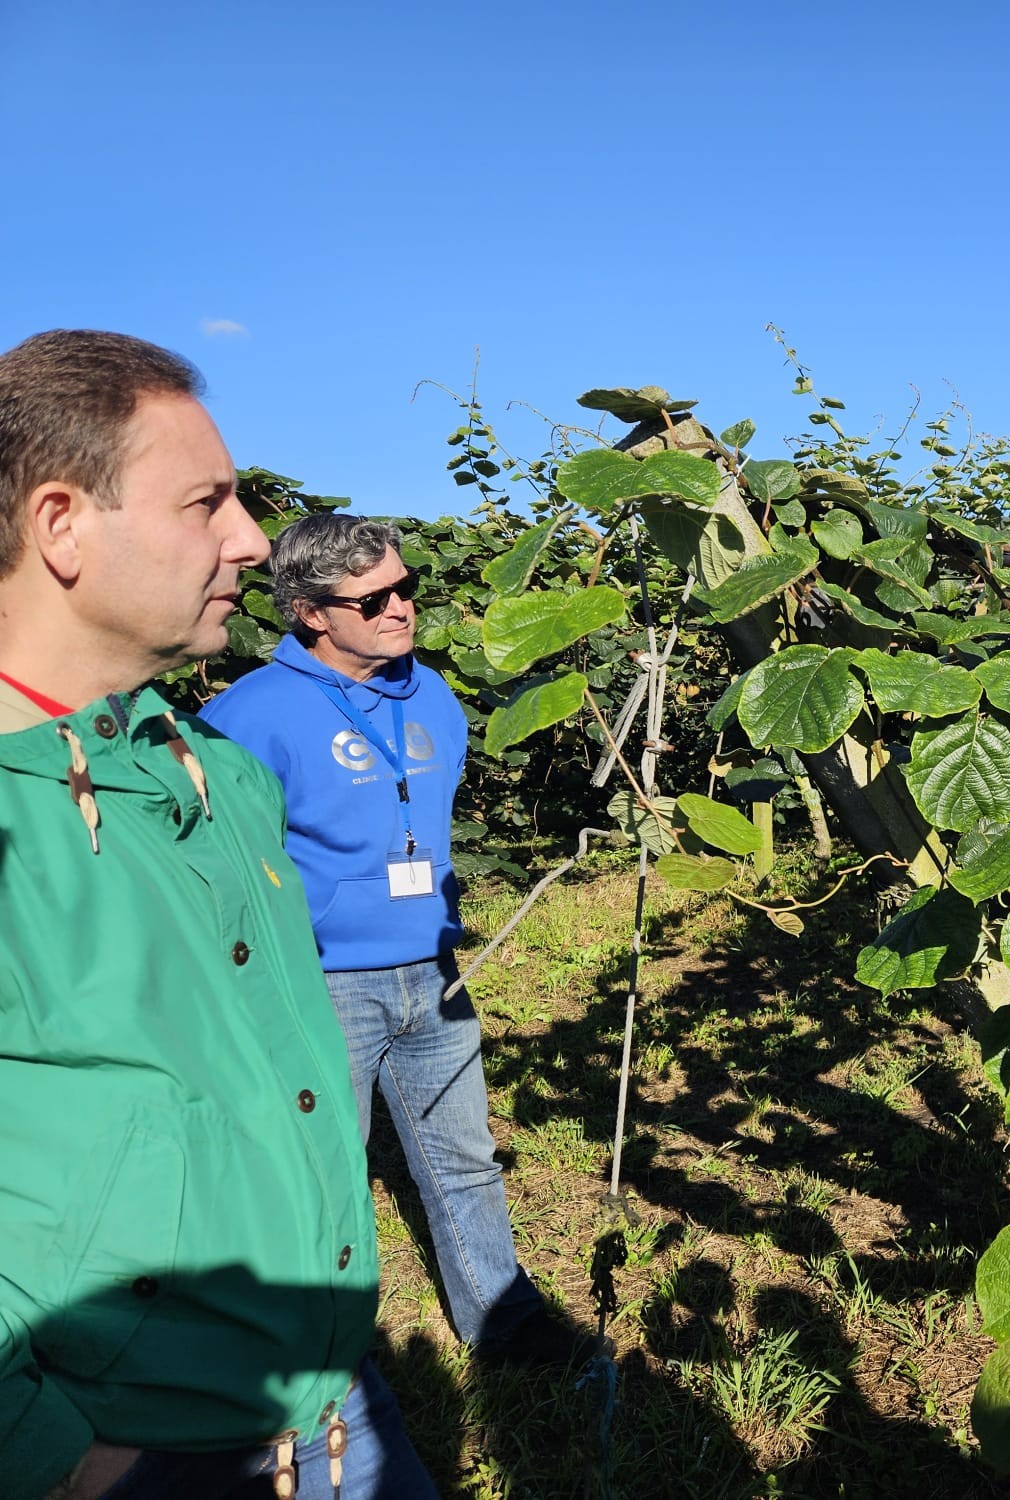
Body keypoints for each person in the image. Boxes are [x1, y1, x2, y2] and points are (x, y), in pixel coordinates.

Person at [0, 330, 436, 1498]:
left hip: (332, 1394)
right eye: (209, 502)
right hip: (128, 1447)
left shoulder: (222, 777)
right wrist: (51, 1456)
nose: (249, 539)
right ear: (61, 526)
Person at [203, 513, 592, 1371]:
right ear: (311, 613)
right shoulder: (250, 716)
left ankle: (503, 1318)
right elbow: (215, 861)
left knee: (463, 1155)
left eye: (407, 586)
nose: (402, 608)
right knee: (319, 1169)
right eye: (374, 598)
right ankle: (320, 1348)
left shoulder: (432, 694)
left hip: (436, 972)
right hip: (322, 983)